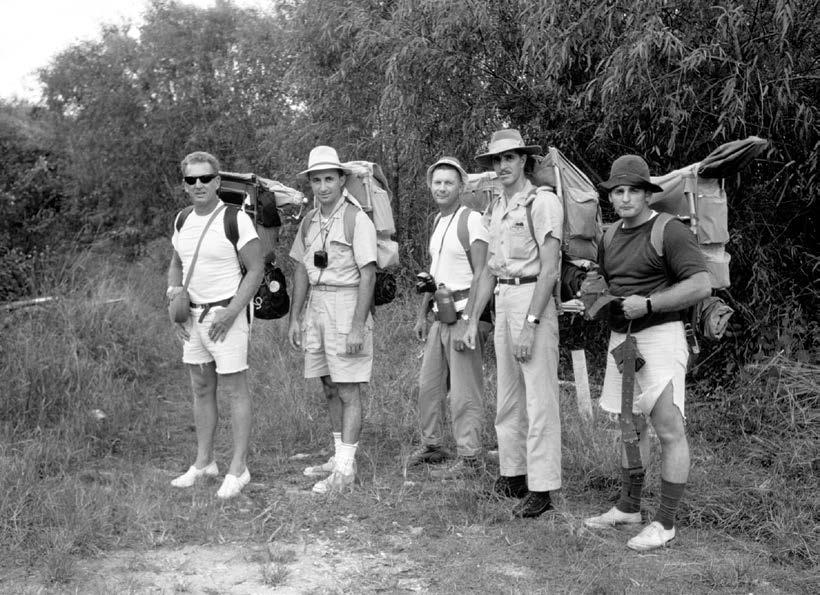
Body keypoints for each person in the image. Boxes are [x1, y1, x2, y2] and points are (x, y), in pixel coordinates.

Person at [583, 154, 710, 551]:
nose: (624, 198)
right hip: (622, 340)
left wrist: (651, 303)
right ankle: (628, 507)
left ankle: (666, 523)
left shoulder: (668, 230)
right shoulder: (608, 235)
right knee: (629, 426)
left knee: (669, 428)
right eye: (617, 191)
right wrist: (592, 291)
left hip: (660, 336)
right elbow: (610, 280)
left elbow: (702, 284)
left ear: (646, 194)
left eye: (632, 191)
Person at [463, 129, 563, 518]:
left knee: (540, 399)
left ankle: (543, 487)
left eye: (509, 158)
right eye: (495, 160)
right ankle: (513, 473)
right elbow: (489, 270)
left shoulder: (542, 202)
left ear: (524, 160)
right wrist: (473, 318)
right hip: (504, 298)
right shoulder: (495, 207)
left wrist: (531, 323)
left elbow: (550, 270)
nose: (502, 166)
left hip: (531, 299)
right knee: (508, 396)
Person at [167, 151, 264, 499]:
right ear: (184, 185)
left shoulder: (235, 219)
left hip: (227, 316)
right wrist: (174, 301)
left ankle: (239, 469)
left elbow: (256, 269)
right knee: (200, 388)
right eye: (191, 180)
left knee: (235, 389)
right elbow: (177, 264)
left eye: (205, 178)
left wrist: (232, 311)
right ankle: (204, 462)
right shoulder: (182, 220)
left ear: (218, 181)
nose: (199, 185)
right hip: (192, 317)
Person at [288, 145, 377, 494]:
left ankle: (345, 471)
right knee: (327, 385)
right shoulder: (310, 221)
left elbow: (368, 275)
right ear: (310, 183)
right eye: (317, 180)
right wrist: (295, 317)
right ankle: (339, 456)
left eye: (329, 179)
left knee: (348, 388)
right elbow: (299, 269)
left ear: (342, 180)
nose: (323, 186)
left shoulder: (357, 219)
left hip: (347, 302)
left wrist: (357, 325)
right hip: (317, 306)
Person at [408, 157, 489, 478]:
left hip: (464, 317)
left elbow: (483, 272)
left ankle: (470, 459)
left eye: (449, 183)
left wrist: (471, 319)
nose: (442, 188)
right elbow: (433, 273)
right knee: (428, 386)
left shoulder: (472, 221)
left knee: (465, 391)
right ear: (430, 186)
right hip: (439, 316)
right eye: (437, 182)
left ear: (462, 187)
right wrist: (420, 315)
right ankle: (433, 446)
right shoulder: (438, 221)